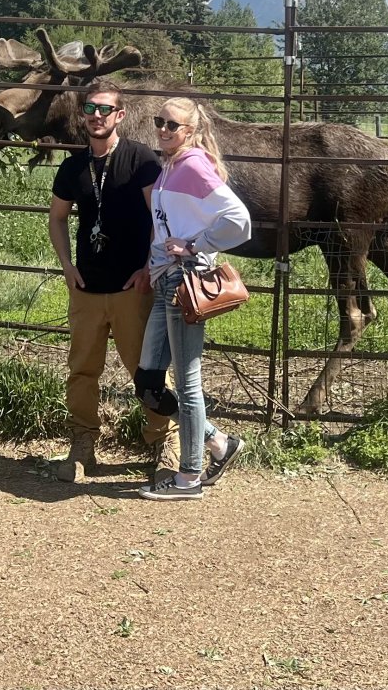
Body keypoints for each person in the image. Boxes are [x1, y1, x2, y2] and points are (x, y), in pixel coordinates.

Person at [48, 78, 178, 483]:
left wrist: (147, 267)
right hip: (87, 289)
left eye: (105, 109)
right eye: (90, 109)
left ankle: (164, 444)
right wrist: (67, 266)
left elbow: (160, 220)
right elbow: (56, 218)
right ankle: (83, 444)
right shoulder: (72, 167)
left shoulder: (142, 161)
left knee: (148, 370)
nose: (97, 116)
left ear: (120, 115)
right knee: (82, 370)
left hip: (131, 288)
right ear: (82, 115)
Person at [138, 96, 252, 501]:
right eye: (160, 122)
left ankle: (189, 477)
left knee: (187, 383)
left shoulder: (193, 165)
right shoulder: (170, 165)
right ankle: (219, 443)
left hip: (183, 282)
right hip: (163, 280)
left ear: (191, 131)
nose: (164, 130)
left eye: (173, 125)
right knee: (149, 381)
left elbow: (239, 221)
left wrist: (194, 245)